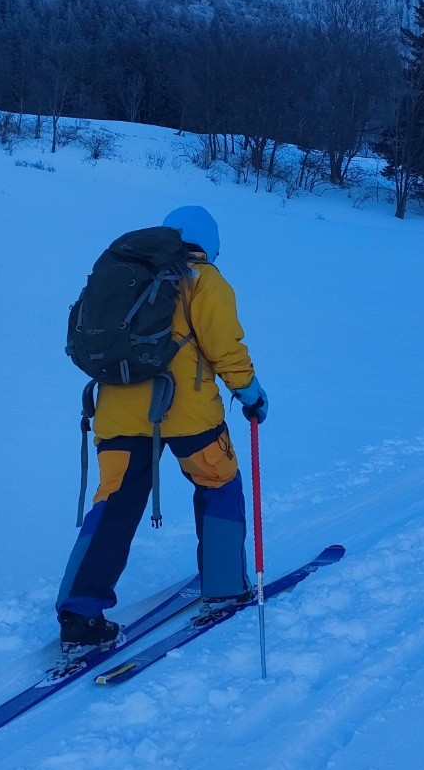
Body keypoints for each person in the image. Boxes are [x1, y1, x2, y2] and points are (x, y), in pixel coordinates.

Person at [56, 205, 267, 648]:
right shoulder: (205, 280)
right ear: (208, 243)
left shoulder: (125, 273)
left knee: (113, 504)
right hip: (186, 412)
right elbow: (224, 347)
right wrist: (250, 393)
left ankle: (79, 614)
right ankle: (225, 587)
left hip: (116, 411)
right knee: (218, 484)